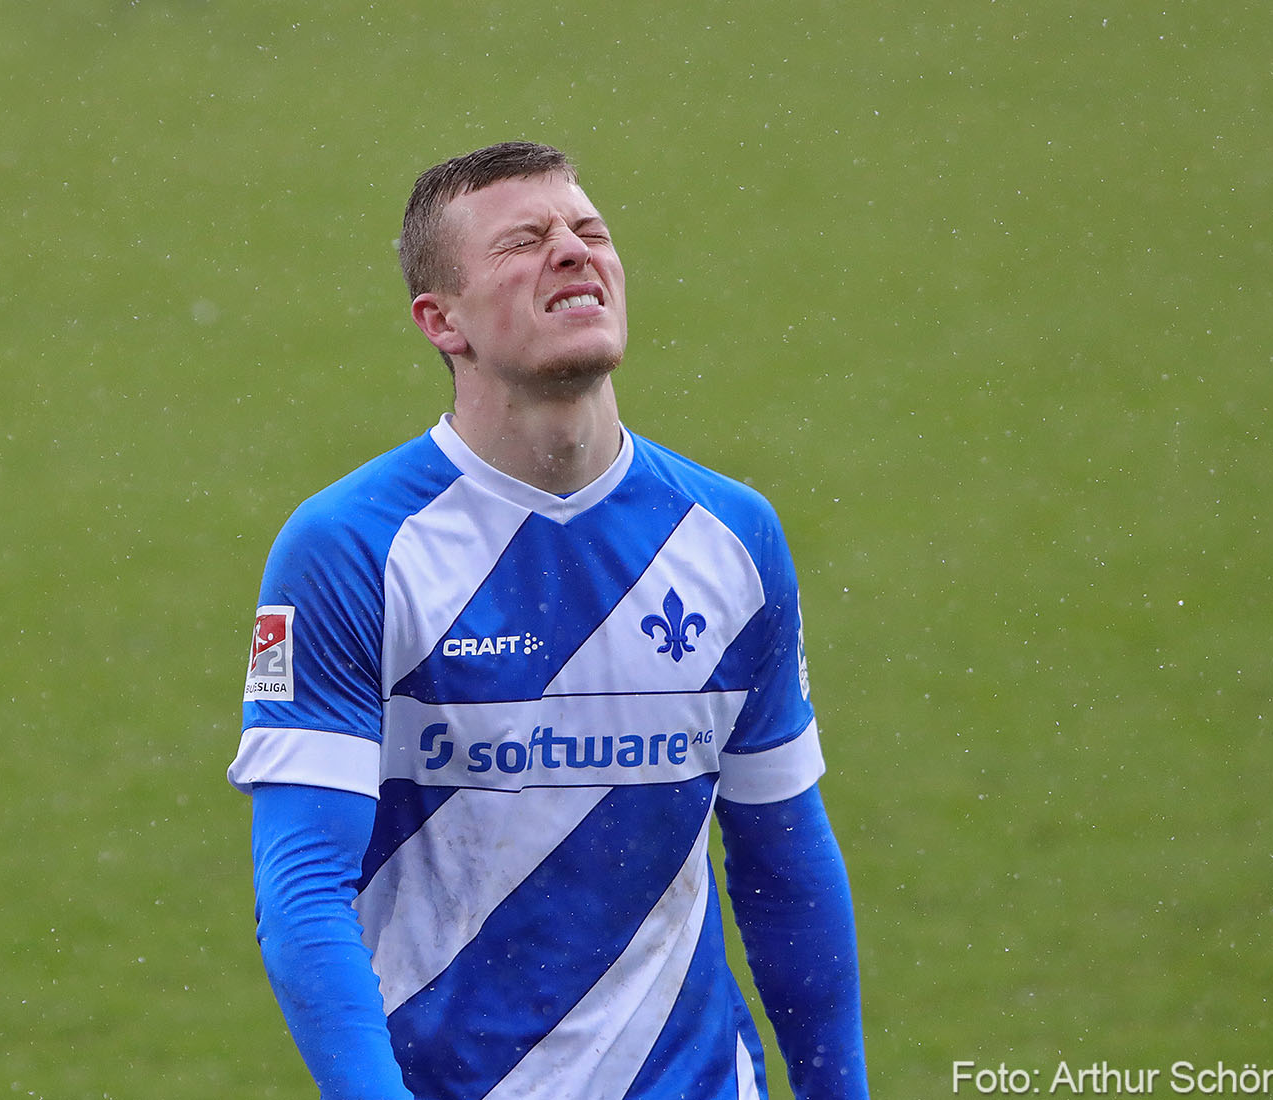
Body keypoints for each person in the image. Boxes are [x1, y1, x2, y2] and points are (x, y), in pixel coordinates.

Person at [229, 141, 868, 1100]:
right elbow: (304, 893)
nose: (572, 251)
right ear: (440, 321)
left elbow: (785, 856)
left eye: (589, 231)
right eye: (523, 243)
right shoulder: (350, 551)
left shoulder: (733, 537)